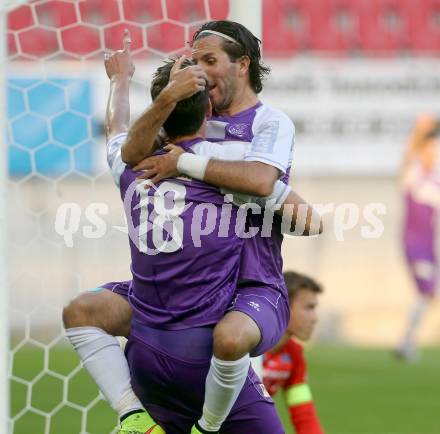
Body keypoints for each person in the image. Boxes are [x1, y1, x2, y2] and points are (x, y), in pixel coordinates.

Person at [62, 22, 320, 434]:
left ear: (242, 65)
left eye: (209, 60)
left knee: (231, 339)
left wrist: (183, 161)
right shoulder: (182, 129)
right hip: (186, 301)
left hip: (250, 289)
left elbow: (263, 185)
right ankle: (139, 419)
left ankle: (195, 421)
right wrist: (142, 91)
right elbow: (127, 147)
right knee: (85, 309)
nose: (198, 70)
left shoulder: (265, 127)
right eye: (194, 61)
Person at [396, 114, 440, 361]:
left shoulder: (433, 181)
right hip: (415, 245)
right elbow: (409, 156)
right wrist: (420, 130)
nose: (433, 154)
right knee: (427, 291)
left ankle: (406, 342)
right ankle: (406, 343)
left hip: (429, 246)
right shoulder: (414, 179)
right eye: (431, 150)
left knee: (428, 294)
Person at [263, 271, 325, 434]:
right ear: (283, 305)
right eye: (308, 308)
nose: (314, 318)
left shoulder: (294, 354)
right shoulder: (244, 345)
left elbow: (304, 416)